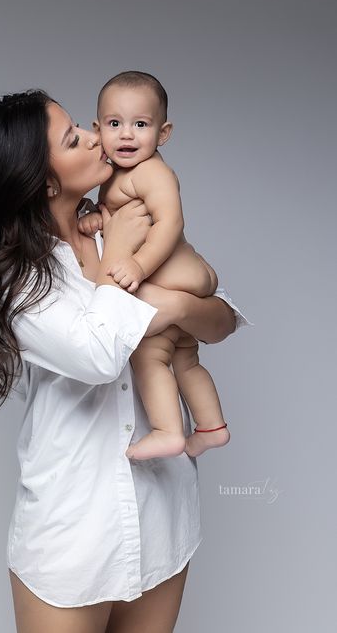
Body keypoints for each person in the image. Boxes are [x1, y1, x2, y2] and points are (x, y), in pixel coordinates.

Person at [0, 89, 251, 633]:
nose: (97, 136)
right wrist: (125, 265)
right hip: (74, 534)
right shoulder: (15, 281)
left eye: (81, 124)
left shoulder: (115, 221)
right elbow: (99, 356)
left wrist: (174, 303)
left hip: (162, 515)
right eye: (73, 138)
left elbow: (219, 319)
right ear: (45, 180)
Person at [78, 70, 251, 461]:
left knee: (148, 354)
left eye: (140, 124)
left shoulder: (152, 171)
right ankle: (210, 427)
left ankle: (168, 431)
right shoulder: (117, 176)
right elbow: (117, 219)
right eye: (114, 124)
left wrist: (138, 266)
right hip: (185, 284)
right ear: (98, 128)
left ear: (164, 133)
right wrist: (94, 218)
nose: (126, 134)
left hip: (177, 274)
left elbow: (171, 222)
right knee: (185, 358)